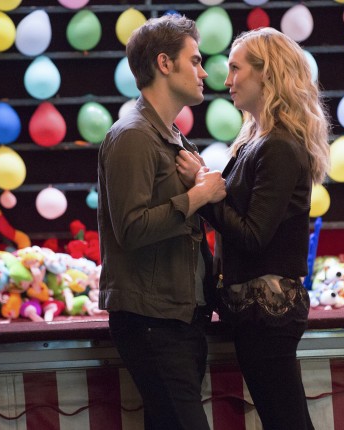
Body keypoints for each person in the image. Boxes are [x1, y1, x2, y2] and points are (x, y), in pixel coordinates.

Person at [177, 27, 330, 430]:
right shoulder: (258, 140)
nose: (227, 80)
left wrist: (204, 193)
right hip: (257, 311)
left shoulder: (277, 145)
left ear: (266, 73)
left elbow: (252, 235)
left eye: (235, 68)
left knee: (287, 422)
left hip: (269, 312)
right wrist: (207, 187)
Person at [96, 14, 226, 430]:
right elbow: (131, 228)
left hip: (178, 317)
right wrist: (197, 196)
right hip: (152, 321)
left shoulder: (171, 136)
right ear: (165, 64)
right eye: (195, 60)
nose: (204, 73)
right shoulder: (133, 136)